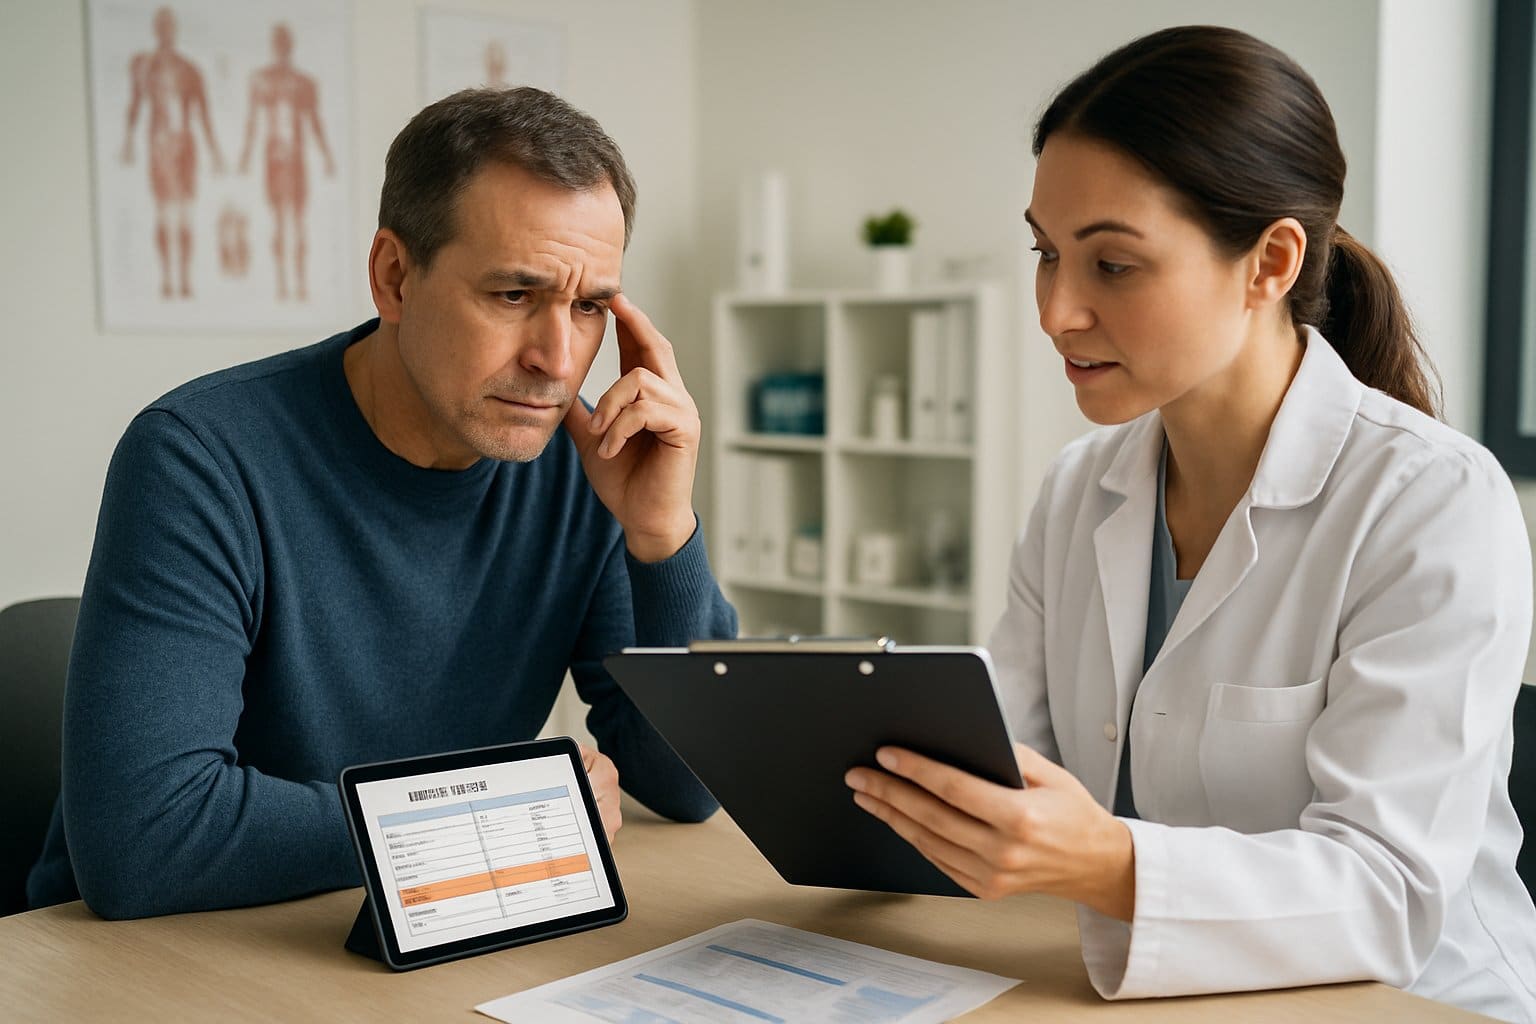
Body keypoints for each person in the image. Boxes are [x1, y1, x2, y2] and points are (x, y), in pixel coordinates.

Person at [844, 26, 1536, 1022]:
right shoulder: (1080, 490)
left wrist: (1111, 861)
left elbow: (1389, 895)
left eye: (1112, 265)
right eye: (1046, 253)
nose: (1056, 311)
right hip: (1154, 990)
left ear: (1270, 263)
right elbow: (1012, 761)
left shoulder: (1432, 503)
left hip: (1409, 1001)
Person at [28, 87, 733, 919]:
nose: (557, 359)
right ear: (394, 277)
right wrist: (503, 817)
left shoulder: (576, 464)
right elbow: (144, 841)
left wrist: (663, 537)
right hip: (160, 960)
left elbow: (691, 786)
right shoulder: (199, 458)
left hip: (424, 922)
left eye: (586, 307)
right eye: (513, 295)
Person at [120, 5, 224, 300]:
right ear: (156, 29)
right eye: (161, 25)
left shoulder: (189, 70)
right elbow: (135, 106)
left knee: (184, 215)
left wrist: (215, 153)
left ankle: (184, 278)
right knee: (165, 215)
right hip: (159, 146)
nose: (165, 31)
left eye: (169, 25)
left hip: (184, 146)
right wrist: (128, 142)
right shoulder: (144, 67)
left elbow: (203, 114)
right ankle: (168, 277)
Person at [236, 22, 336, 302]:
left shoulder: (304, 83)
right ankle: (282, 283)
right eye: (278, 41)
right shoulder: (262, 81)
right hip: (274, 159)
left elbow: (314, 121)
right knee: (280, 221)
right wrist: (244, 157)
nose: (282, 46)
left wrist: (326, 154)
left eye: (285, 41)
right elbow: (253, 122)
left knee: (298, 221)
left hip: (296, 160)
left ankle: (300, 283)